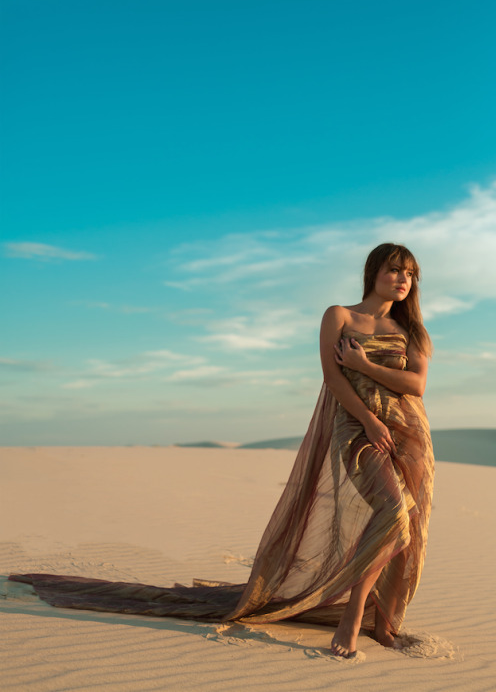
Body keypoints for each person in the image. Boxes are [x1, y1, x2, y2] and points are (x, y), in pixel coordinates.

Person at [9, 242, 434, 659]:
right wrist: (368, 418)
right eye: (395, 270)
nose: (402, 280)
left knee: (403, 522)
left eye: (410, 273)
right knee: (393, 513)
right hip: (357, 427)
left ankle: (378, 615)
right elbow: (333, 378)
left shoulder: (411, 331)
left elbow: (416, 386)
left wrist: (364, 366)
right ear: (374, 272)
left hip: (408, 432)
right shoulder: (339, 316)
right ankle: (354, 613)